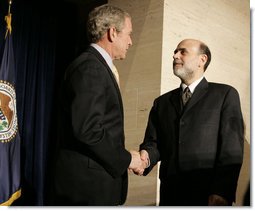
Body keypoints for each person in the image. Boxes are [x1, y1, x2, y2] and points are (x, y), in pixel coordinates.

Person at [49, 4, 145, 205]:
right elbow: (88, 129)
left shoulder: (96, 67)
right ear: (112, 33)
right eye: (128, 34)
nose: (130, 41)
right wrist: (127, 159)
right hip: (86, 190)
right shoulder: (90, 68)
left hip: (94, 187)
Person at [138, 39, 244, 206]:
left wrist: (222, 191)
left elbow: (231, 150)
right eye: (175, 51)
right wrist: (146, 157)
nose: (174, 55)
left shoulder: (225, 95)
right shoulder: (161, 103)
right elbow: (154, 143)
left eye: (182, 52)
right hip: (170, 196)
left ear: (202, 60)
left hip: (208, 196)